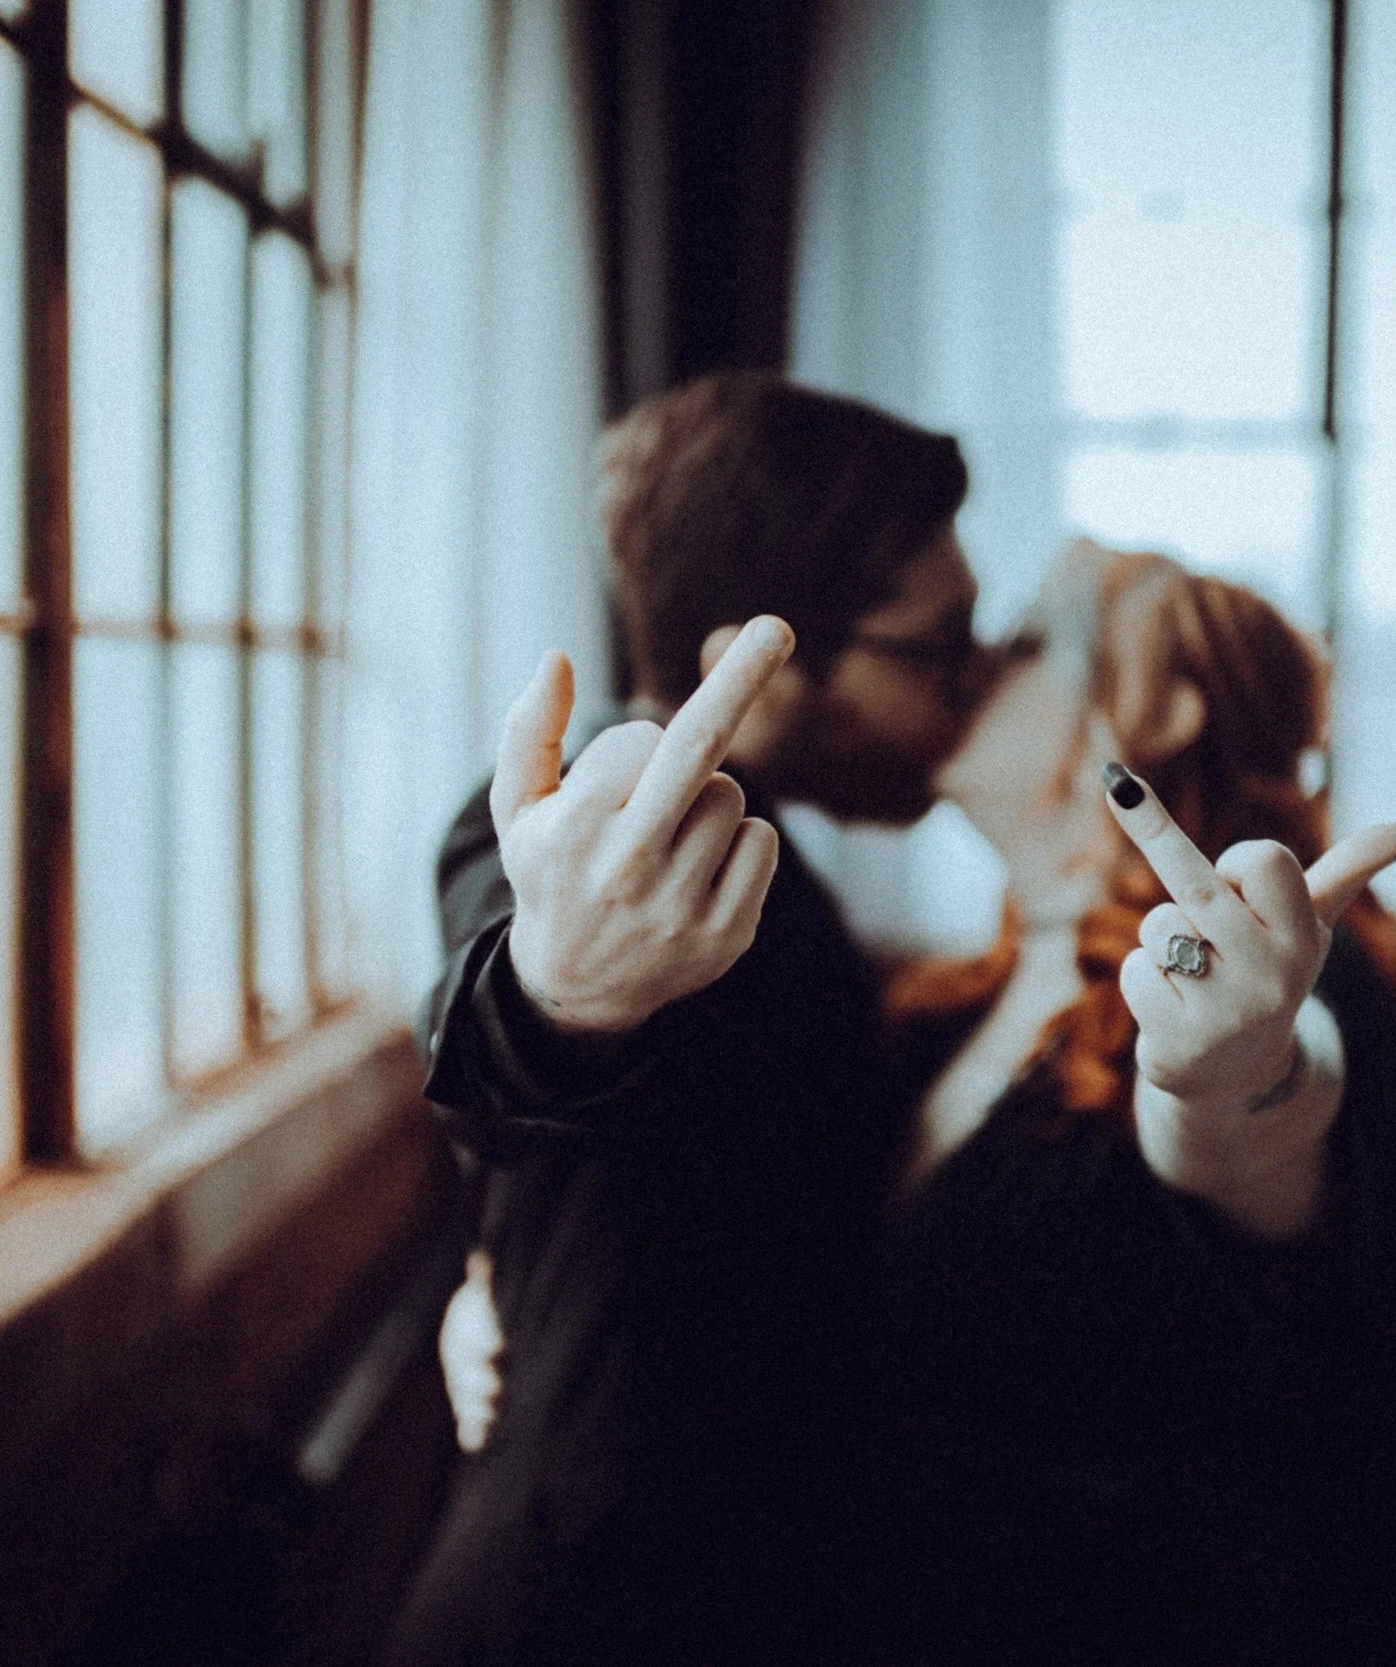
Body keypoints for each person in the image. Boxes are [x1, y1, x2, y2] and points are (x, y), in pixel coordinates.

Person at [431, 529, 1396, 1663]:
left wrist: (1234, 1081)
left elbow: (1258, 1131)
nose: (968, 663)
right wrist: (507, 1285)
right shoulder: (949, 1008)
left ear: (1158, 707)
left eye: (1020, 643)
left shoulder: (1290, 975)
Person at [386, 372, 981, 1667]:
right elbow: (501, 1031)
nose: (966, 687)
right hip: (595, 1608)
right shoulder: (596, 820)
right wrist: (563, 993)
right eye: (935, 648)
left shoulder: (775, 870)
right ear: (746, 663)